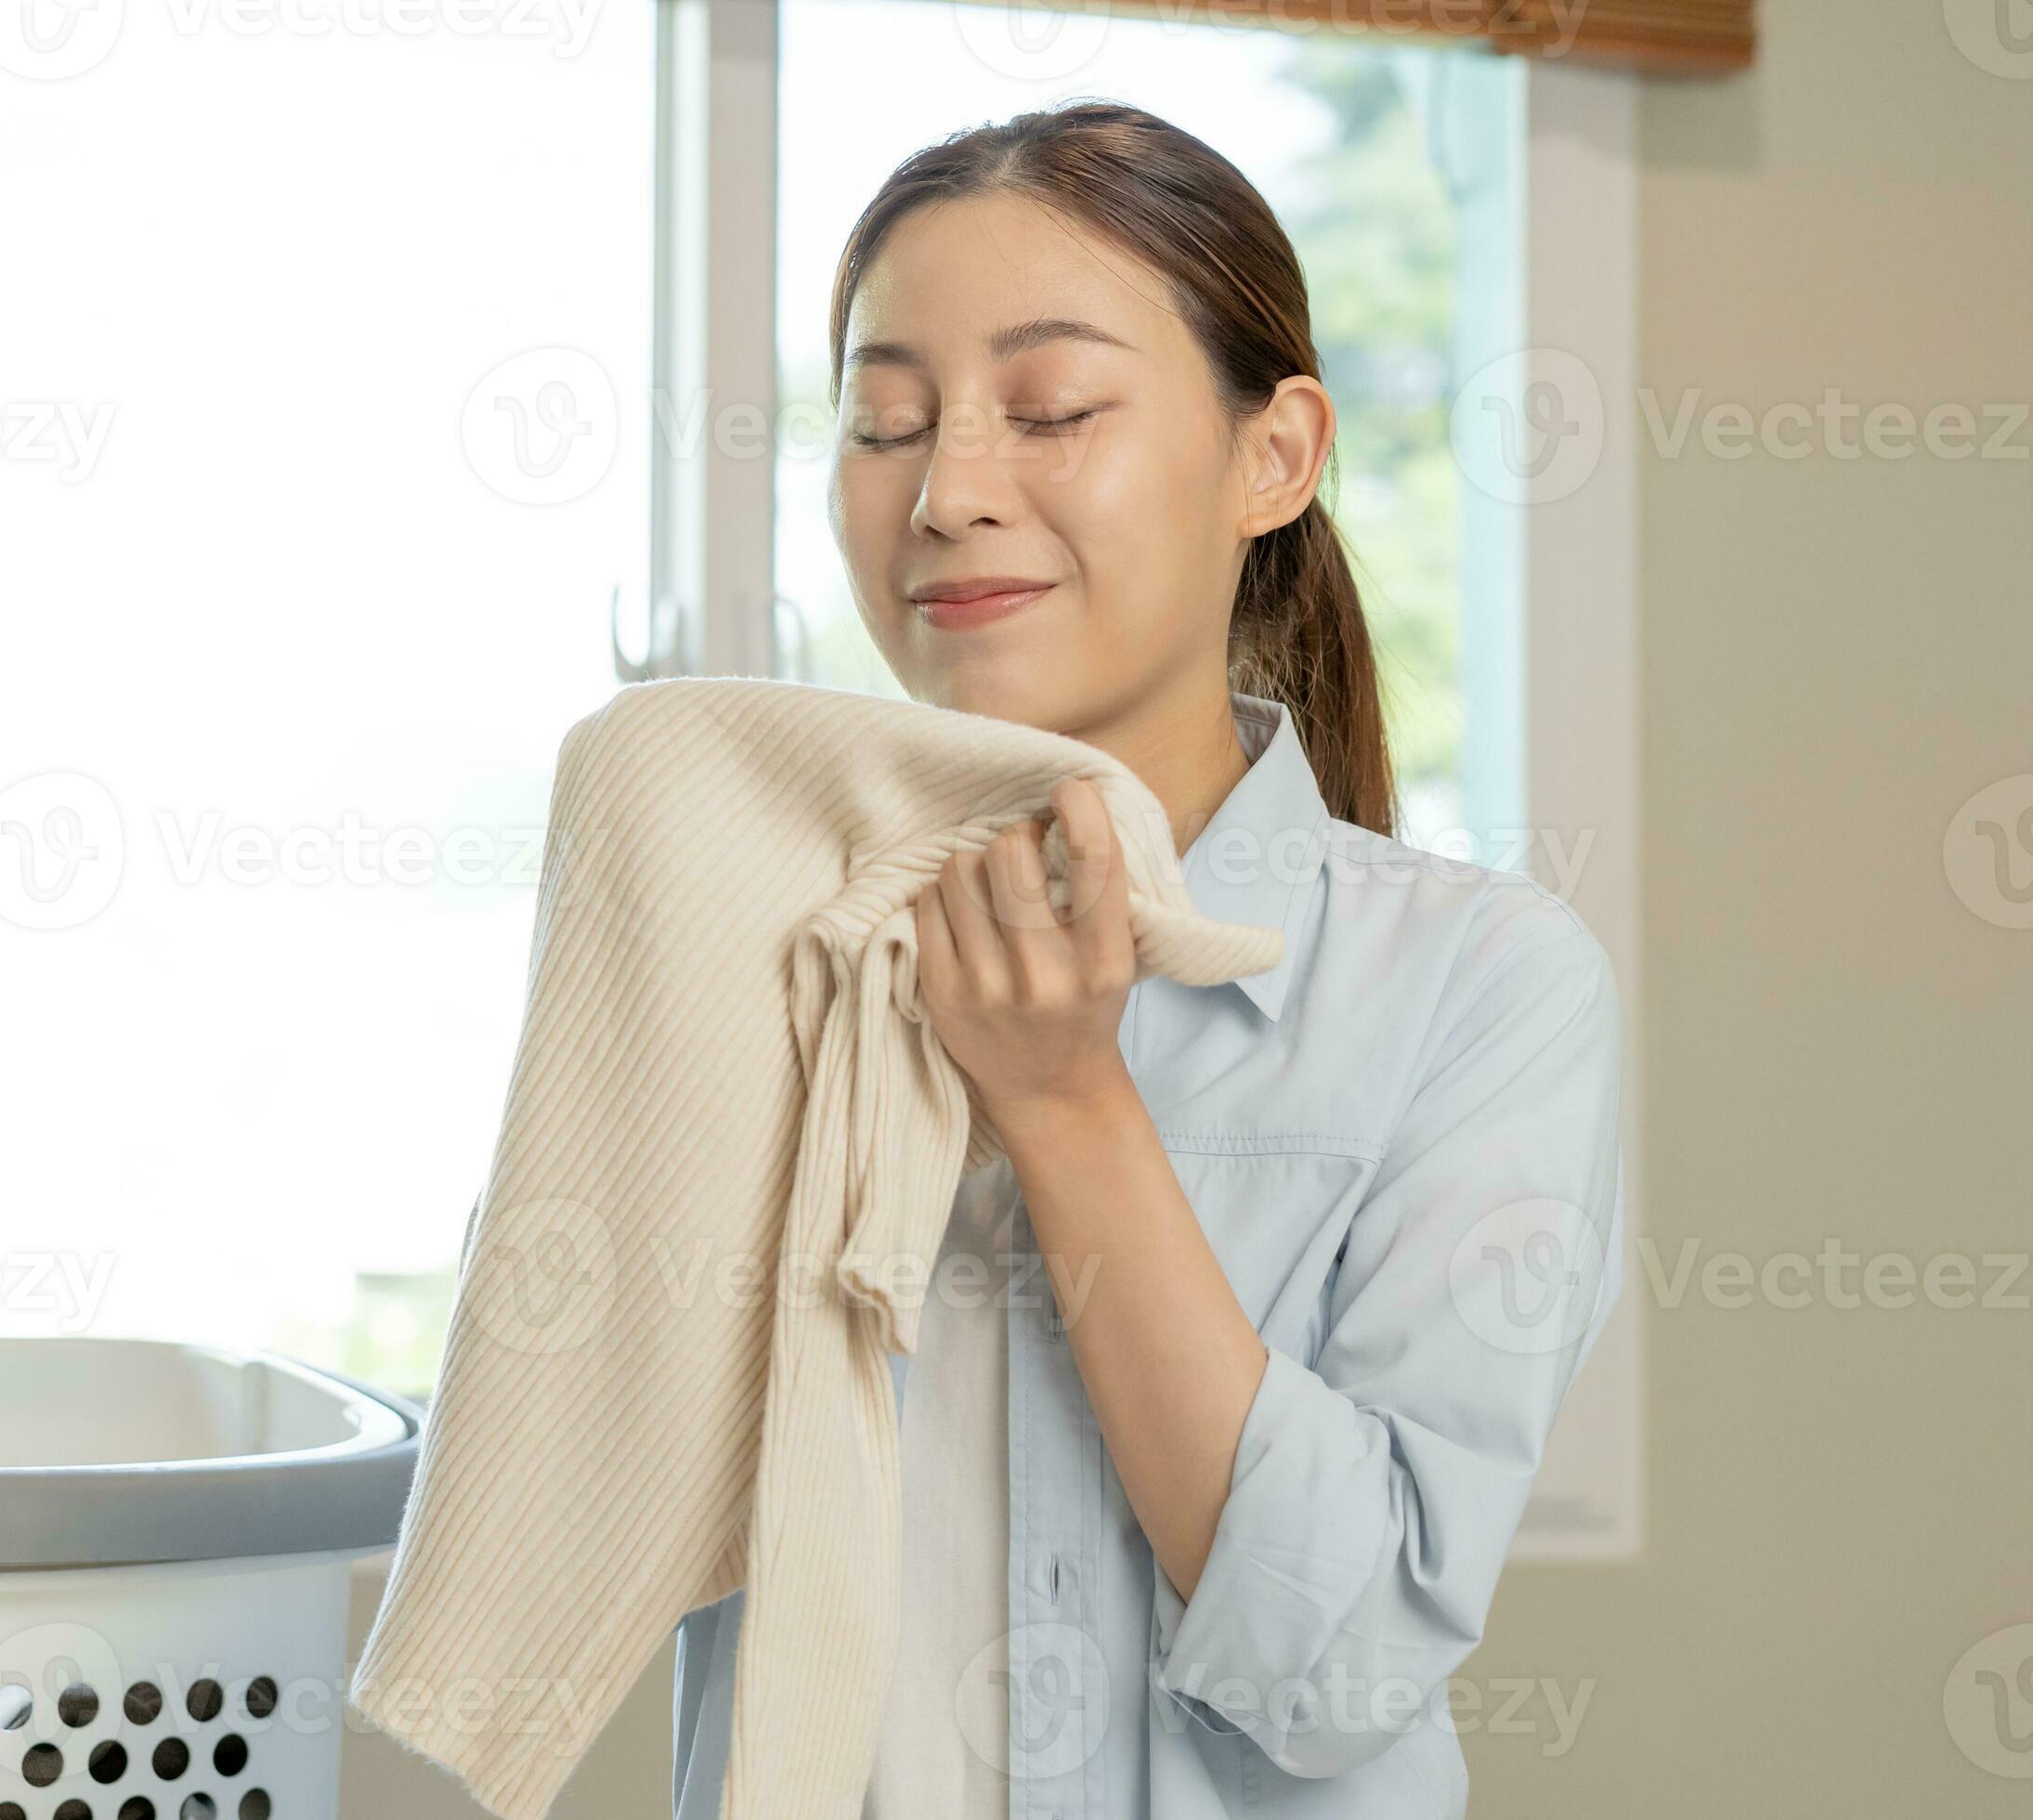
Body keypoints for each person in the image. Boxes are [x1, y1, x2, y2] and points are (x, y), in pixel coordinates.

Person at [667, 100, 1626, 1820]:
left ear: (1276, 455)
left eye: (1051, 411)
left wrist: (1067, 1100)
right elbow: (605, 1505)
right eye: (888, 422)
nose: (950, 492)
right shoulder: (767, 958)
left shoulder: (1480, 989)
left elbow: (1337, 1670)